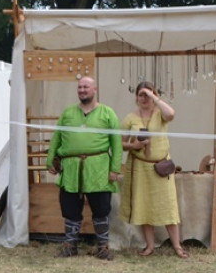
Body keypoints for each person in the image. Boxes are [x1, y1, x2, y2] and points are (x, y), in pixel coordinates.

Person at [45, 76, 123, 260]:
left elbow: (117, 143)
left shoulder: (107, 113)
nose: (82, 90)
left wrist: (114, 169)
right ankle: (70, 246)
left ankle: (103, 247)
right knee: (70, 208)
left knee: (101, 208)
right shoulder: (68, 113)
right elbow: (57, 137)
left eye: (86, 87)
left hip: (98, 168)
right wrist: (51, 160)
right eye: (79, 87)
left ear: (95, 89)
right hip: (71, 168)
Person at [120, 82, 188, 258]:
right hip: (140, 167)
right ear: (136, 98)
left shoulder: (160, 115)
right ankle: (149, 246)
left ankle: (177, 246)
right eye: (141, 95)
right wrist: (134, 145)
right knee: (144, 206)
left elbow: (171, 114)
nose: (144, 98)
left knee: (168, 206)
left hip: (160, 167)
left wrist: (154, 97)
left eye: (147, 95)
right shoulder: (130, 118)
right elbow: (120, 143)